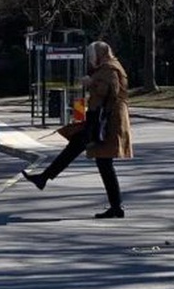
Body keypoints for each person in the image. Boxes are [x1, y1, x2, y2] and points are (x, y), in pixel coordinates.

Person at [22, 40, 133, 218]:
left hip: (107, 121)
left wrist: (91, 83)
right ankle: (115, 207)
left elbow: (111, 90)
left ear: (100, 54)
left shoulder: (110, 68)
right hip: (103, 119)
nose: (91, 60)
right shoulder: (107, 67)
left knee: (95, 157)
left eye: (92, 56)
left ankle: (44, 177)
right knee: (94, 156)